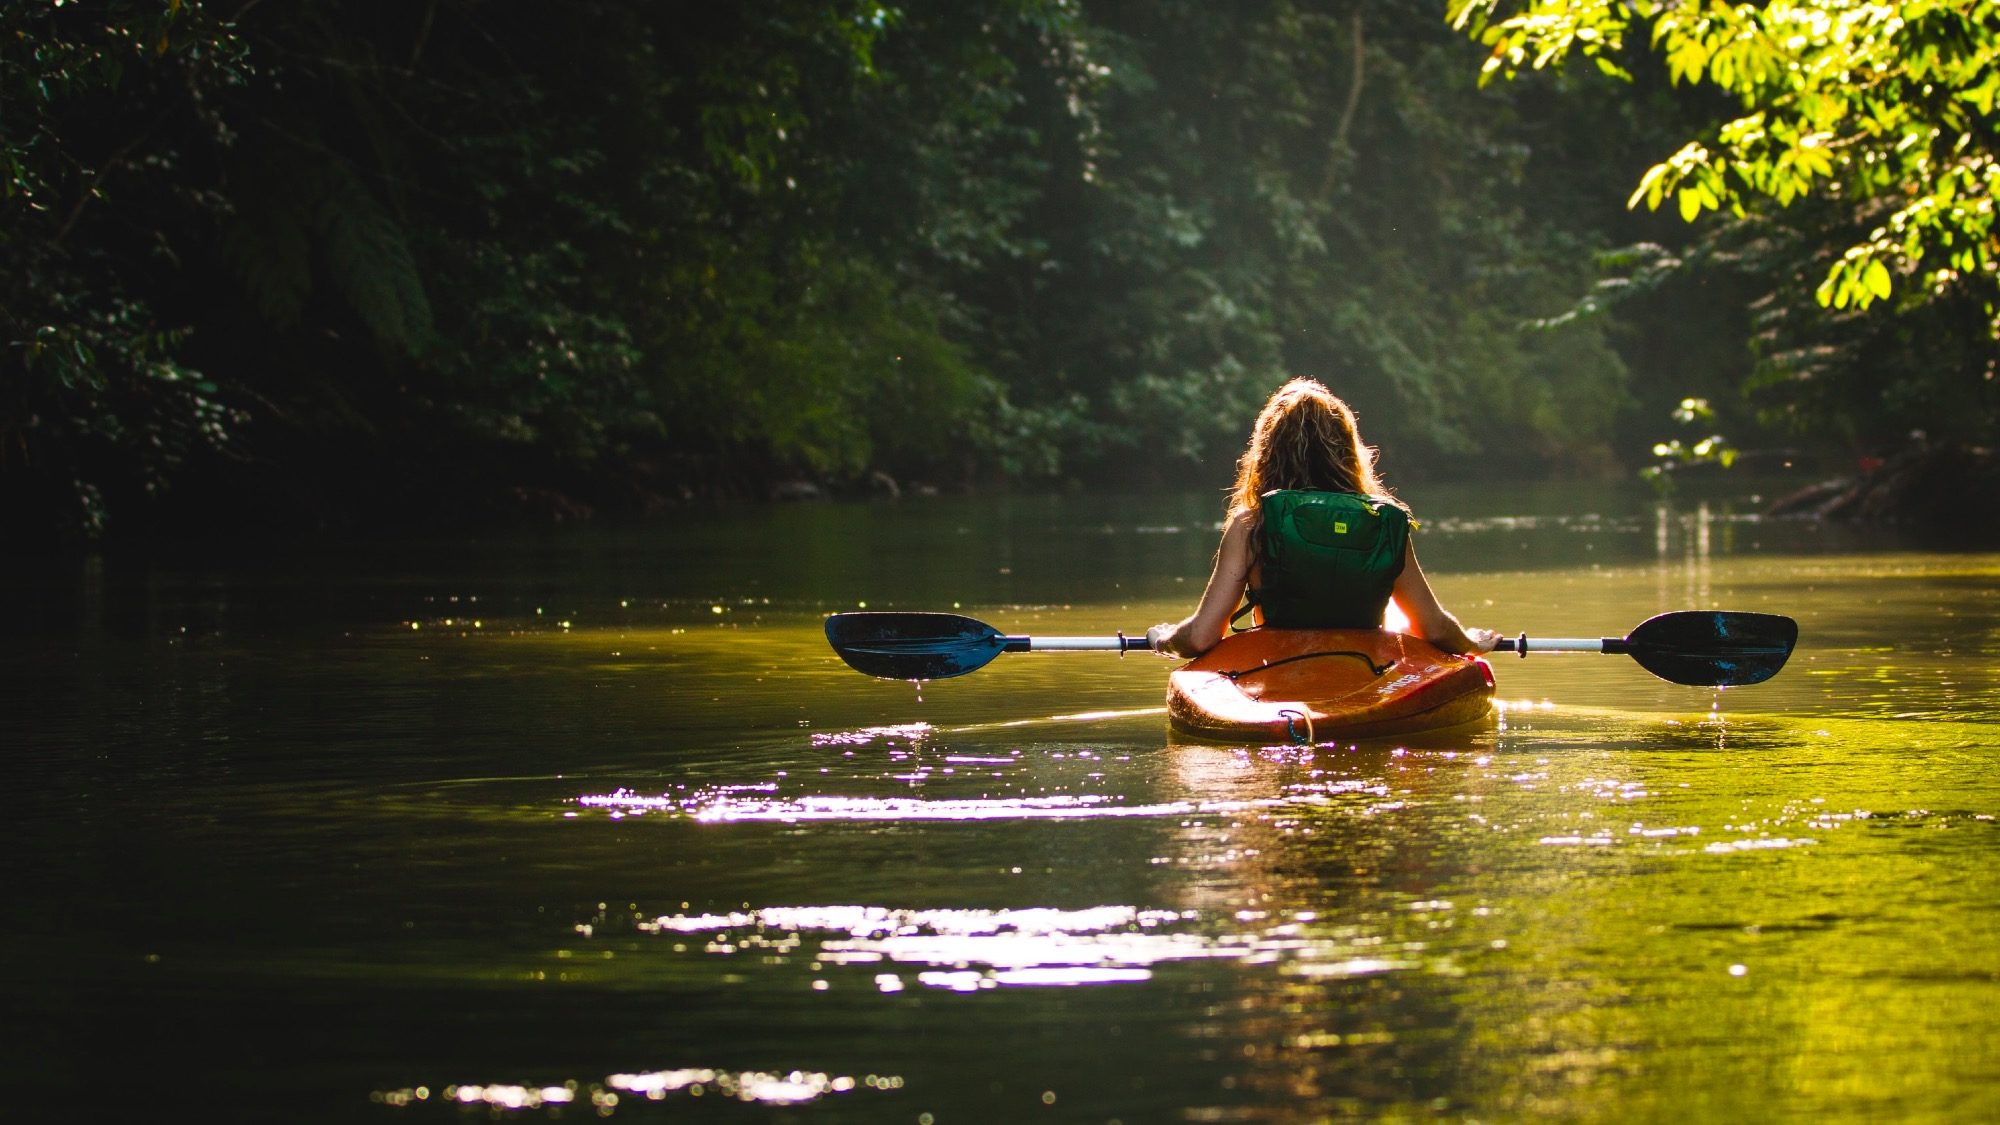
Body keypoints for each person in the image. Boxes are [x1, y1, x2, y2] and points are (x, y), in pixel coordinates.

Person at [1149, 378, 1498, 658]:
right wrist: (1470, 642)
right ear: (1348, 450)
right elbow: (1433, 628)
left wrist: (1165, 638)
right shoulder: (1382, 523)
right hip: (1365, 670)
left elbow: (1200, 638)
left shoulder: (1251, 525)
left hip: (1275, 667)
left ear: (1267, 453)